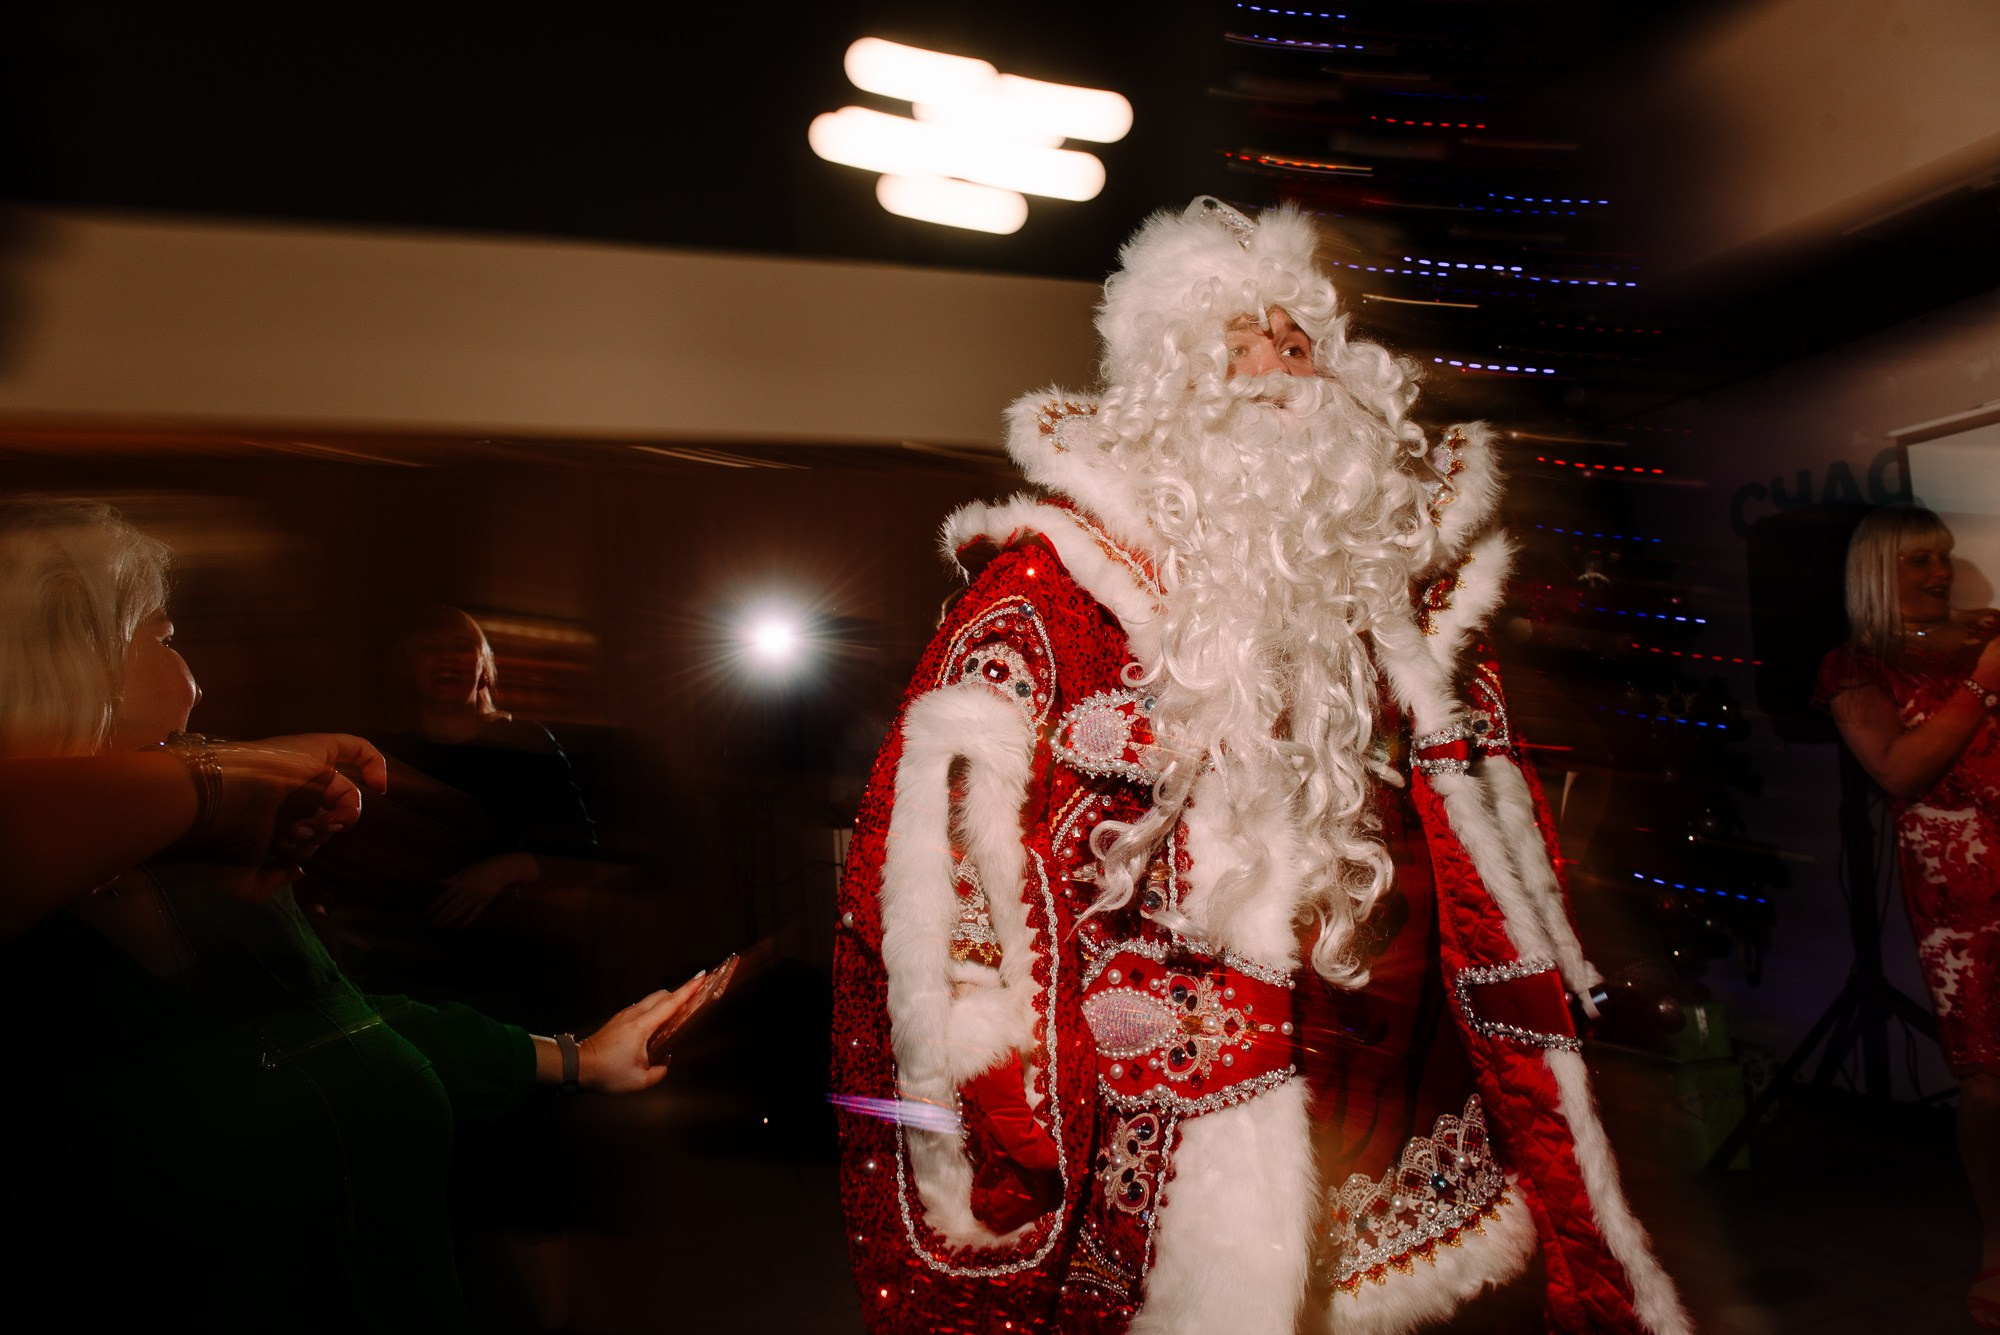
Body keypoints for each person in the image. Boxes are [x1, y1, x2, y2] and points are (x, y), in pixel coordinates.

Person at [830, 198, 1690, 1335]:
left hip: (1402, 1093)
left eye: (1299, 346)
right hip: (1164, 1127)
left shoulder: (1404, 600)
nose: (1280, 372)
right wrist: (997, 1085)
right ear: (1166, 392)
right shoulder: (1049, 596)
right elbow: (943, 854)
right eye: (1238, 348)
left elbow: (1492, 830)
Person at [0, 497, 704, 1333]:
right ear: (65, 659)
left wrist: (577, 1056)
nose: (194, 678)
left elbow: (345, 1021)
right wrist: (227, 779)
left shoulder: (192, 877)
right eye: (161, 635)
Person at [1821, 504, 2000, 1329]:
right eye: (1918, 562)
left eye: (1944, 558)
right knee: (1990, 1082)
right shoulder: (1856, 669)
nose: (1940, 574)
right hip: (1965, 902)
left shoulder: (1984, 635)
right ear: (1876, 572)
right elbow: (1896, 769)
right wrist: (1980, 687)